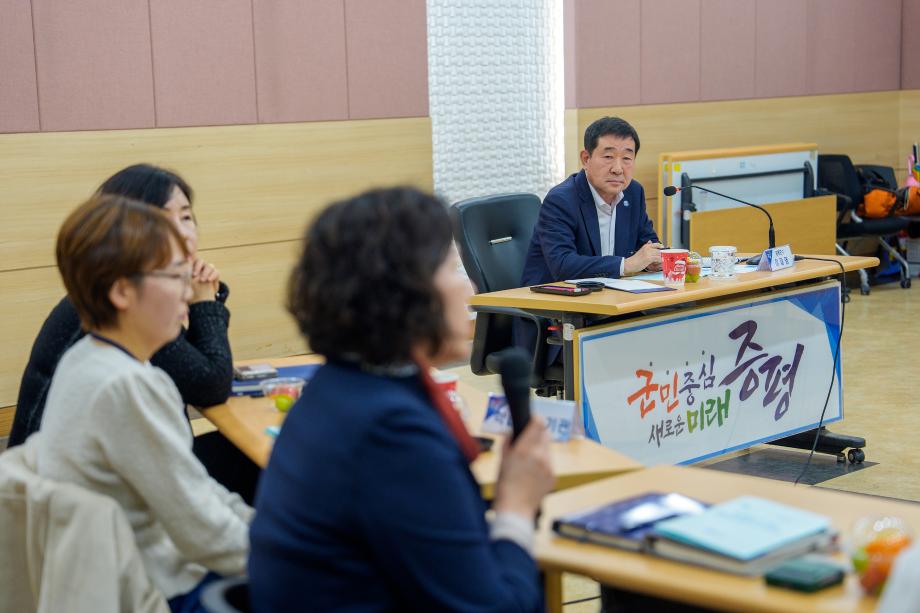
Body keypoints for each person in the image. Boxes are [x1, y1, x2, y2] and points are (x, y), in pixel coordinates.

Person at [248, 187, 554, 612]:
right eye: (452, 268)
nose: (469, 287)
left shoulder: (338, 387)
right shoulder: (391, 432)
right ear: (405, 293)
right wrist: (516, 505)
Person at [33, 194, 251, 611]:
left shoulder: (88, 358)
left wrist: (273, 532)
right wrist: (297, 553)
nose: (188, 290)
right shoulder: (127, 385)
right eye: (175, 275)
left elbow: (198, 493)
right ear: (122, 291)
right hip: (150, 587)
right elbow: (202, 529)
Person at [10, 164, 232, 447]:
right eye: (162, 219)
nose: (183, 233)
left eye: (186, 217)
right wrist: (203, 303)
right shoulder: (127, 308)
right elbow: (210, 384)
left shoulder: (116, 292)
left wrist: (201, 299)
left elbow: (190, 366)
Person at [517, 116, 663, 363]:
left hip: (612, 310)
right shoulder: (561, 200)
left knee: (669, 331)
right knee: (639, 352)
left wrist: (657, 259)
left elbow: (648, 244)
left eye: (627, 158)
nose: (618, 168)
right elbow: (563, 265)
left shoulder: (633, 193)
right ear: (586, 159)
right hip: (560, 322)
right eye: (608, 157)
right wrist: (626, 265)